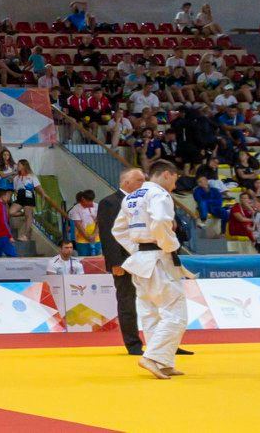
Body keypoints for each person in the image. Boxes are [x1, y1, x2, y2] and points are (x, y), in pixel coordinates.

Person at [112, 160, 191, 379]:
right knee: (175, 313)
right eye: (174, 179)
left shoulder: (131, 197)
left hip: (141, 260)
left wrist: (136, 249)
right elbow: (160, 221)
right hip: (158, 258)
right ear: (166, 174)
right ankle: (153, 357)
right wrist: (169, 245)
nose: (174, 185)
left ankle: (163, 361)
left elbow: (118, 230)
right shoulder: (158, 194)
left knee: (151, 312)